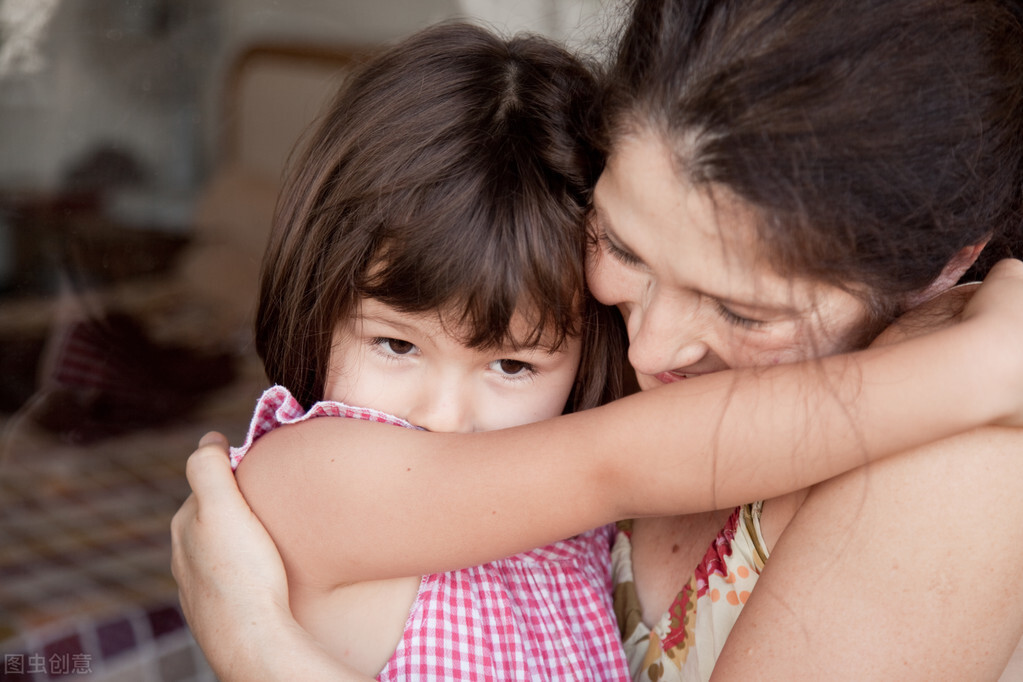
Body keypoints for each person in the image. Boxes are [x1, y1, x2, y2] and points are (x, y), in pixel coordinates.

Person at [172, 1, 1023, 680]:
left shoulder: (955, 473)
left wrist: (265, 657)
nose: (648, 348)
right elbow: (622, 461)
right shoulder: (318, 471)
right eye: (620, 247)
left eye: (744, 312)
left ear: (945, 267)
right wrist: (980, 368)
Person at [221, 22, 633, 679]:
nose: (443, 418)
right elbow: (655, 455)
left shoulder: (580, 528)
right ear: (318, 307)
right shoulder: (309, 475)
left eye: (511, 365)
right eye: (395, 344)